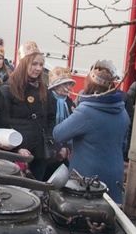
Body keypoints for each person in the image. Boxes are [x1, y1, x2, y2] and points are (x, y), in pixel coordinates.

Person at [53, 61, 130, 204]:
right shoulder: (122, 111)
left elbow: (59, 134)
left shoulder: (86, 112)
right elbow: (124, 145)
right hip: (115, 175)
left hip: (87, 180)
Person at [1, 43, 56, 180]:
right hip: (16, 155)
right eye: (34, 64)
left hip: (39, 154)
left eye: (40, 64)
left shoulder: (45, 91)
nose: (38, 69)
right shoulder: (8, 89)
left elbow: (51, 118)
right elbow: (3, 123)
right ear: (24, 64)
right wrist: (16, 148)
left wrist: (49, 141)